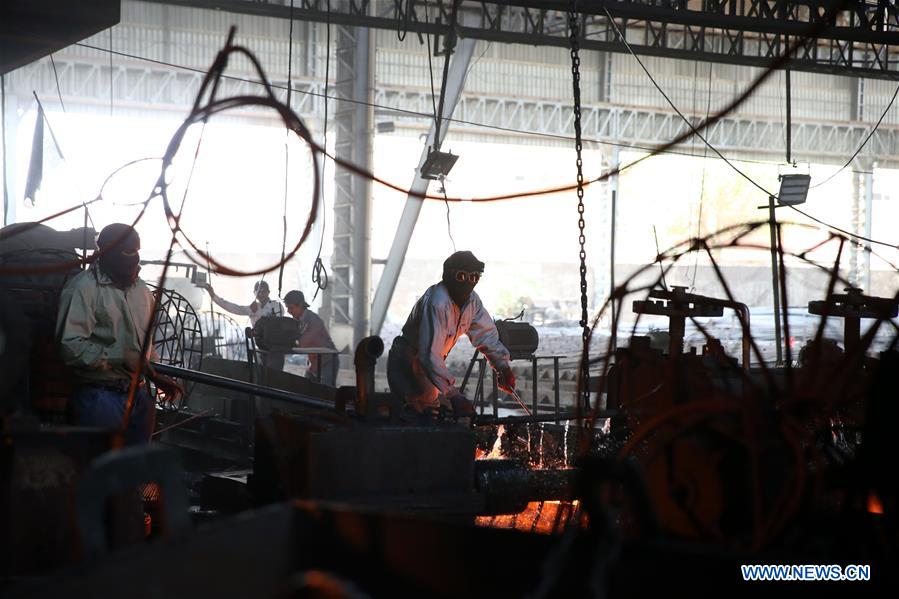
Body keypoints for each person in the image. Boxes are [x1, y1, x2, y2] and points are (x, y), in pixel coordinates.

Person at [56, 223, 183, 445]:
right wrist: (119, 357)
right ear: (106, 252)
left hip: (139, 397)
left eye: (137, 251)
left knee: (133, 472)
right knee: (100, 470)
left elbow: (147, 346)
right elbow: (70, 346)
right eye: (127, 251)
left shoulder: (142, 292)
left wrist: (156, 373)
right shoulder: (84, 288)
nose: (135, 258)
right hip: (99, 398)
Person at [387, 250, 516, 418]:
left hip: (428, 362)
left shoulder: (472, 302)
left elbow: (486, 336)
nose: (468, 283)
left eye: (474, 277)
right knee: (418, 412)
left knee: (429, 412)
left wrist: (503, 367)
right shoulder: (438, 302)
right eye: (462, 276)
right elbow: (429, 354)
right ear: (448, 275)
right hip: (409, 360)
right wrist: (454, 395)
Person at [284, 290, 339, 386]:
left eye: (291, 308)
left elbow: (303, 343)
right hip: (314, 364)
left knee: (325, 395)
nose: (289, 311)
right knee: (306, 391)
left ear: (300, 305)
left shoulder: (313, 320)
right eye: (287, 308)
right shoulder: (299, 321)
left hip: (327, 363)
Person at [203, 279, 283, 326]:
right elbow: (234, 308)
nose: (261, 294)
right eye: (258, 292)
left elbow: (277, 322)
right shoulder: (252, 307)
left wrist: (259, 315)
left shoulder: (276, 305)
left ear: (268, 292)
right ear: (254, 293)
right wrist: (213, 295)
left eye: (263, 291)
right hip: (259, 344)